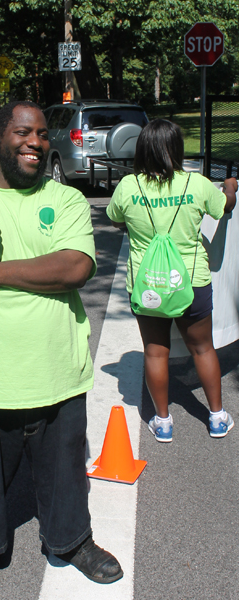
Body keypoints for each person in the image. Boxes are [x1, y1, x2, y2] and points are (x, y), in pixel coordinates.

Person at [0, 101, 122, 596]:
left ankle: (72, 540)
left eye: (41, 133)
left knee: (64, 474)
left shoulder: (67, 198)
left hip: (58, 369)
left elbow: (76, 266)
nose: (35, 141)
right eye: (22, 132)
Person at [106, 118, 237, 442]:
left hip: (147, 283)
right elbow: (224, 209)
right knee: (203, 348)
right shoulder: (197, 185)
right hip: (191, 281)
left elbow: (115, 219)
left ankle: (163, 422)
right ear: (176, 149)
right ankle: (217, 417)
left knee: (154, 352)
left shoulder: (128, 186)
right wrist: (230, 187)